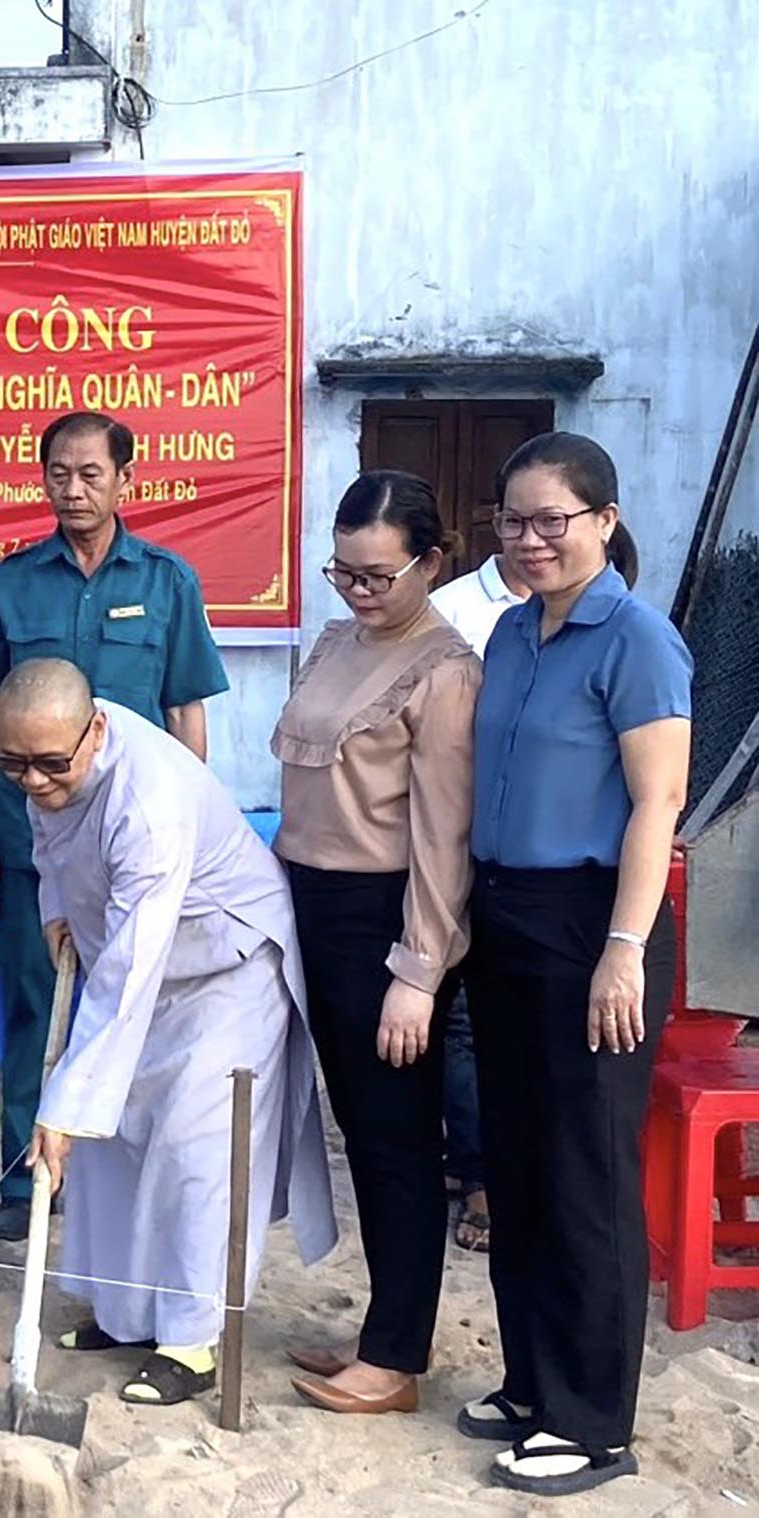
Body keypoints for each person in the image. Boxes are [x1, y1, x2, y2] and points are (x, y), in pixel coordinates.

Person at [6, 658, 336, 1408]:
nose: (33, 780)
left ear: (95, 732)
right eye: (14, 762)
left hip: (225, 970)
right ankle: (124, 1316)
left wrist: (61, 1105)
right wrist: (57, 905)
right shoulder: (47, 760)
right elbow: (50, 838)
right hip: (139, 962)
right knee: (115, 1143)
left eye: (51, 764)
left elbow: (128, 966)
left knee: (196, 1151)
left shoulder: (147, 799)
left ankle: (192, 1340)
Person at [459, 433, 690, 1497]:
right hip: (504, 916)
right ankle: (529, 1382)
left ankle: (592, 1422)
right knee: (514, 1163)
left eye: (551, 518)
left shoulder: (635, 640)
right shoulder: (508, 634)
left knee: (585, 1173)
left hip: (595, 922)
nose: (529, 538)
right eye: (512, 519)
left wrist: (623, 950)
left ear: (601, 519)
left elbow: (657, 802)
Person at [0, 410, 229, 1241]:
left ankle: (114, 1181)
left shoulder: (166, 582)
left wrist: (186, 834)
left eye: (90, 474)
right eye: (57, 475)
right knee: (31, 1006)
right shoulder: (12, 583)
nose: (73, 490)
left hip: (129, 848)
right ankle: (22, 1183)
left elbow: (185, 711)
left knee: (126, 1008)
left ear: (126, 481)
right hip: (31, 834)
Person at [271, 471, 480, 1415]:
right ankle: (378, 1325)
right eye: (342, 572)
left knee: (398, 1140)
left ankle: (397, 1356)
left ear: (431, 564)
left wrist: (419, 971)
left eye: (378, 576)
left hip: (384, 917)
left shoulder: (444, 670)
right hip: (308, 904)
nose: (359, 591)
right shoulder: (334, 644)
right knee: (361, 1130)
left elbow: (444, 836)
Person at [427, 543, 530, 1256]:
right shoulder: (457, 611)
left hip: (533, 850)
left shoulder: (601, 617)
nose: (535, 540)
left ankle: (508, 1166)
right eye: (520, 522)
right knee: (457, 1020)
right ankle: (476, 1175)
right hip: (458, 836)